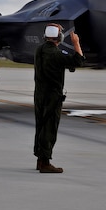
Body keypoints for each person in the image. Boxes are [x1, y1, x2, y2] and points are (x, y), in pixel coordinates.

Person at [33, 23, 84, 173]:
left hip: (39, 94)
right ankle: (46, 163)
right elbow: (79, 61)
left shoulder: (39, 50)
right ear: (59, 37)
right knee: (49, 128)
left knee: (40, 126)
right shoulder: (56, 54)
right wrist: (76, 43)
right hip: (52, 96)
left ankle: (40, 160)